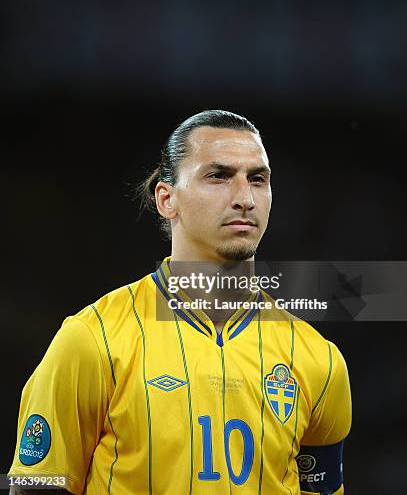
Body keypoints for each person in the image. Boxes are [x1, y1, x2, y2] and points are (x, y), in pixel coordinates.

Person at [9, 110, 351, 494]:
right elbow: (37, 485)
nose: (244, 198)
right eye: (218, 176)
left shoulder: (318, 359)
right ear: (166, 199)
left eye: (258, 179)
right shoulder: (92, 339)